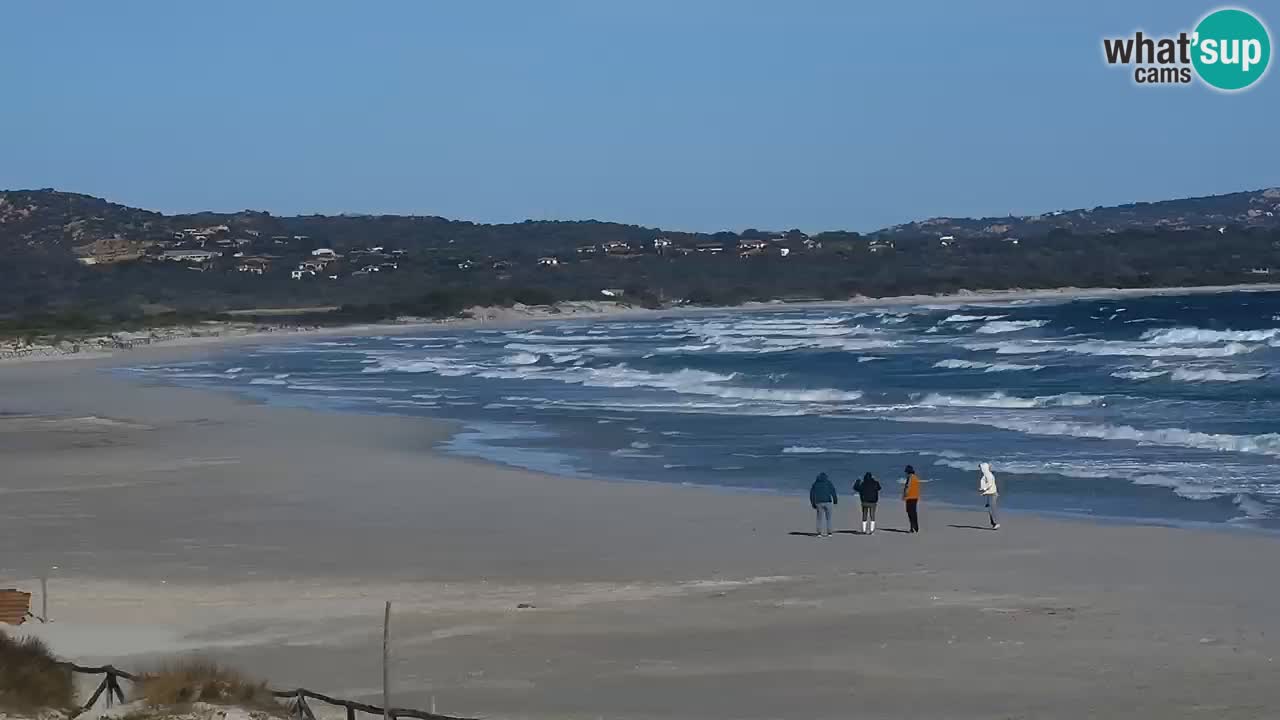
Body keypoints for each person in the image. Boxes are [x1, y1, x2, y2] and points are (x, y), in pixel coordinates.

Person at [809, 472, 838, 537]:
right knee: (829, 519)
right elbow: (833, 492)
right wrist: (835, 501)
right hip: (828, 502)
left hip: (819, 503)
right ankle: (829, 533)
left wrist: (813, 503)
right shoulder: (828, 483)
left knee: (819, 519)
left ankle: (819, 533)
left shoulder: (815, 484)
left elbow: (812, 494)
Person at [979, 462, 1000, 529]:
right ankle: (993, 523)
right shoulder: (986, 475)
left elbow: (990, 485)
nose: (981, 469)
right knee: (990, 509)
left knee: (992, 509)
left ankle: (996, 523)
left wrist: (984, 491)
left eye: (981, 468)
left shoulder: (989, 475)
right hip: (990, 494)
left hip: (992, 494)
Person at [902, 465, 921, 533]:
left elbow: (907, 487)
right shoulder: (916, 478)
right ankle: (915, 527)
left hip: (909, 497)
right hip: (915, 497)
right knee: (914, 513)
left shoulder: (909, 477)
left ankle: (912, 528)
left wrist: (904, 495)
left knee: (910, 513)